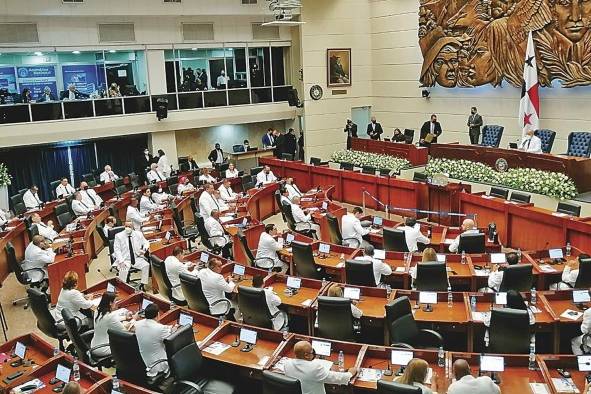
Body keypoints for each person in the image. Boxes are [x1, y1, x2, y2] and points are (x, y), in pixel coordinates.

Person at [284, 340, 357, 394]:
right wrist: (350, 373)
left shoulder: (287, 364)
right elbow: (337, 378)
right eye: (312, 352)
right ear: (306, 355)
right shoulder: (314, 368)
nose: (313, 353)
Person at [134, 303, 172, 377]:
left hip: (145, 362)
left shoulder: (137, 324)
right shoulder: (161, 328)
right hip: (159, 365)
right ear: (158, 314)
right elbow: (172, 341)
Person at [91, 292, 130, 358]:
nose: (116, 303)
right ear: (110, 303)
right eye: (115, 301)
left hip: (94, 344)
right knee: (129, 344)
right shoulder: (110, 317)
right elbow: (124, 331)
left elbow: (107, 320)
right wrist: (132, 322)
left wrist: (125, 318)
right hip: (103, 348)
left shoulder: (97, 311)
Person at [113, 220, 150, 290]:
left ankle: (142, 285)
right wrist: (121, 261)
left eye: (129, 226)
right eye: (126, 226)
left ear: (133, 227)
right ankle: (122, 288)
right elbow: (117, 250)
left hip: (136, 258)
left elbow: (146, 242)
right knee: (123, 270)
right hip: (125, 260)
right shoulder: (118, 236)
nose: (127, 228)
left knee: (146, 265)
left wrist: (144, 249)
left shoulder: (138, 234)